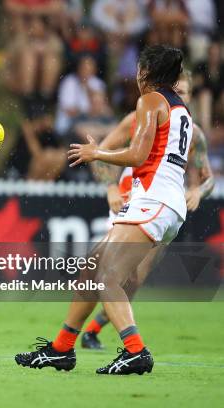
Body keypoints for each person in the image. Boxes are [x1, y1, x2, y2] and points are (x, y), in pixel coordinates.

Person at [15, 45, 190, 375]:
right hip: (164, 201)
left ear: (146, 72)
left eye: (139, 69)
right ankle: (61, 349)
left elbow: (138, 156)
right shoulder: (180, 109)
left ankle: (135, 351)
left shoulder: (151, 100)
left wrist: (98, 154)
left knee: (109, 277)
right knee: (92, 270)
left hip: (153, 200)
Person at [81, 70, 214, 349]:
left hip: (164, 206)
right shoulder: (138, 118)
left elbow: (208, 177)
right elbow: (99, 153)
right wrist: (111, 189)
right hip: (130, 201)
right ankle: (100, 341)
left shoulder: (194, 134)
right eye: (177, 90)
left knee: (133, 280)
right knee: (110, 273)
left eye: (185, 93)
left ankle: (89, 333)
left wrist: (198, 191)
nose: (179, 97)